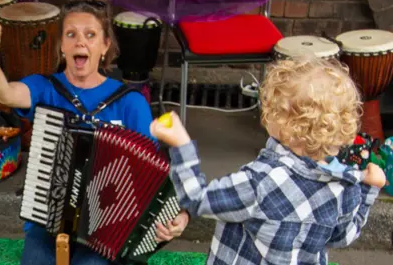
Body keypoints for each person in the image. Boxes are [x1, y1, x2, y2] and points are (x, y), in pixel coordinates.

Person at [0, 0, 189, 264]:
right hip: (47, 219)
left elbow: (153, 176)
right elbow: (7, 94)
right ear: (62, 45)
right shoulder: (46, 88)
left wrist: (182, 214)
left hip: (107, 228)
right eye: (71, 34)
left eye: (90, 34)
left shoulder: (130, 103)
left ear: (105, 45)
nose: (80, 41)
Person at [150, 56, 386, 265]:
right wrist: (370, 189)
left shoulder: (260, 182)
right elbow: (343, 236)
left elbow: (196, 198)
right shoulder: (344, 186)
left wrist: (181, 144)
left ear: (280, 122)